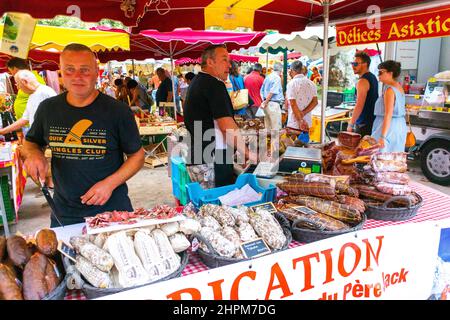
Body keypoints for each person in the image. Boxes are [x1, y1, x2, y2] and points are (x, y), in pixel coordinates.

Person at [22, 43, 145, 226]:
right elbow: (31, 142)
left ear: (96, 72)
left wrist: (109, 184)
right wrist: (33, 154)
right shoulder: (48, 109)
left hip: (113, 211)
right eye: (70, 70)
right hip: (64, 212)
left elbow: (137, 155)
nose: (77, 77)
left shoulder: (118, 111)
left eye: (85, 70)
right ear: (61, 73)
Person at [183, 44, 256, 188]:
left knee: (206, 206)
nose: (229, 65)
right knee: (218, 203)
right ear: (210, 62)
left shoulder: (197, 82)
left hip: (199, 156)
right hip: (213, 159)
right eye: (224, 60)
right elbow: (226, 125)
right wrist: (247, 153)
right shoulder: (214, 84)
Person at [0, 70, 56, 137]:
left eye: (17, 84)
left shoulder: (45, 92)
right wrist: (2, 131)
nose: (17, 87)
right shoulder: (32, 96)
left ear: (24, 82)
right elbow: (24, 119)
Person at [371, 60, 407, 152]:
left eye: (380, 72)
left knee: (381, 159)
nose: (378, 75)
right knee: (394, 159)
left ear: (390, 73)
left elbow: (388, 114)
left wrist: (382, 136)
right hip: (399, 126)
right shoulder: (398, 87)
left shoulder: (390, 90)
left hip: (387, 128)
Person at [347, 51, 379, 137]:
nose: (353, 66)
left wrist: (351, 124)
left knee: (360, 150)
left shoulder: (362, 81)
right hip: (371, 121)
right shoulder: (373, 77)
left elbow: (359, 104)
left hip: (364, 124)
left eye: (356, 64)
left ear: (365, 64)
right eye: (352, 63)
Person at [285, 61, 318, 140]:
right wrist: (303, 114)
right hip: (307, 121)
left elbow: (293, 104)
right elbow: (315, 102)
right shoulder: (311, 83)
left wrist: (300, 120)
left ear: (292, 70)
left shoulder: (292, 83)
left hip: (294, 122)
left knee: (290, 147)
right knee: (304, 148)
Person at [260, 62, 284, 131]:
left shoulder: (268, 77)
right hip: (273, 104)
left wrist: (264, 101)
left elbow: (261, 91)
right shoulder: (277, 78)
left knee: (267, 127)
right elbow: (272, 91)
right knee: (275, 128)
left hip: (266, 104)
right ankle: (275, 142)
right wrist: (266, 102)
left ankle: (267, 142)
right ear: (281, 70)